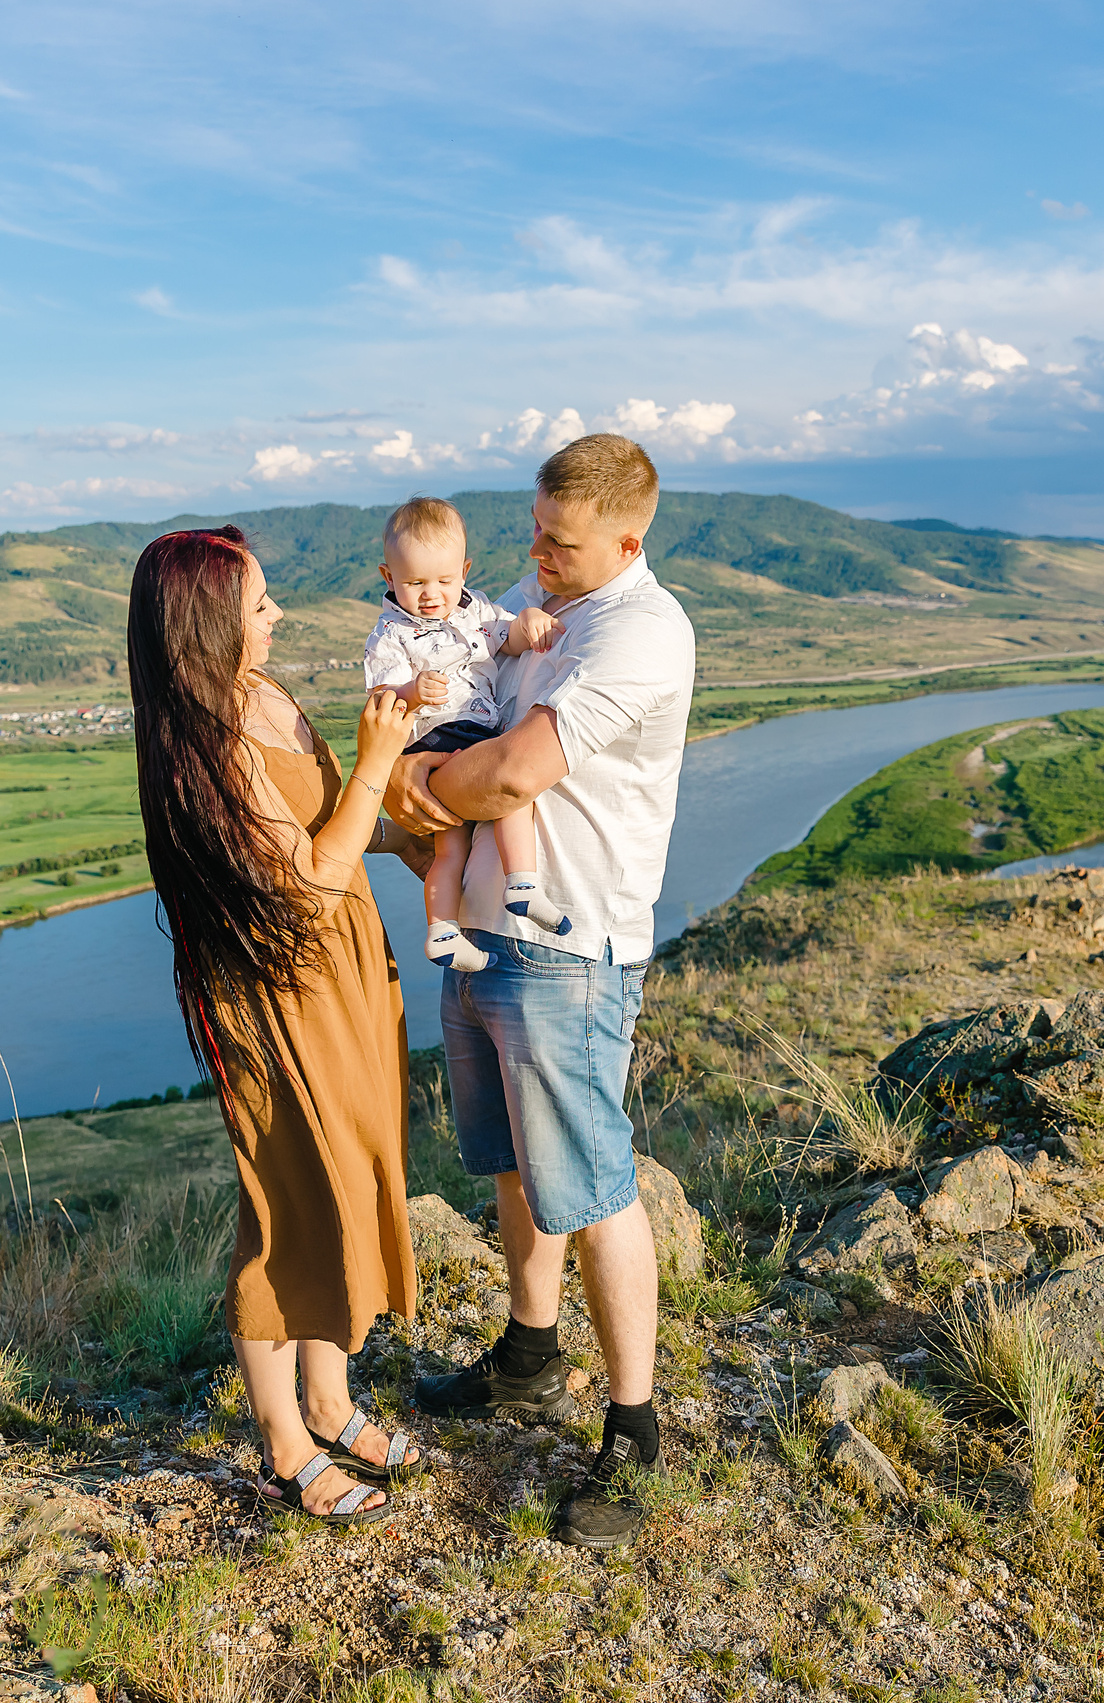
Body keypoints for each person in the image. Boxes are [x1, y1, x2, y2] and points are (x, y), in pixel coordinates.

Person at [387, 434, 696, 1551]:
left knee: (595, 1177)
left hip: (570, 944)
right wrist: (429, 776)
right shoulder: (531, 594)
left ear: (629, 538)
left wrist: (419, 781)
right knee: (515, 1159)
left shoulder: (641, 632)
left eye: (560, 544)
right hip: (481, 924)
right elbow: (447, 712)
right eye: (532, 533)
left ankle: (635, 1428)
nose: (536, 559)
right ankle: (527, 1354)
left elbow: (511, 769)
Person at [127, 525, 435, 1526]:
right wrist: (382, 757)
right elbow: (303, 884)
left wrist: (424, 829)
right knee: (285, 1204)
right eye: (260, 605)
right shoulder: (206, 742)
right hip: (274, 997)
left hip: (341, 972)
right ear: (208, 623)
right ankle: (283, 1445)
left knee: (344, 1179)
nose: (277, 615)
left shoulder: (269, 698)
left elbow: (335, 827)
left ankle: (332, 1398)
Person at [359, 495, 570, 973]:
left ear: (465, 570)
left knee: (449, 847)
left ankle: (443, 932)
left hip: (463, 733)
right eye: (415, 582)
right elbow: (381, 699)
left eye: (444, 580)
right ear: (388, 578)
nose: (432, 593)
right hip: (442, 735)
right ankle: (522, 881)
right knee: (513, 795)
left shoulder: (477, 611)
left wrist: (528, 623)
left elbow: (507, 640)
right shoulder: (390, 635)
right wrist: (411, 690)